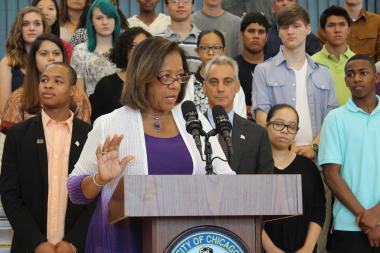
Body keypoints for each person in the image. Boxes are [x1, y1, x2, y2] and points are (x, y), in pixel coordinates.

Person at [67, 36, 234, 252]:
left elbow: (226, 178)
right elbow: (75, 191)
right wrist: (100, 179)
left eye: (180, 76)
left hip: (184, 242)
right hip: (123, 243)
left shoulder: (193, 120)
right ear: (142, 77)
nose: (175, 85)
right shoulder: (109, 124)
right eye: (166, 77)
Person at [0, 62, 94, 253]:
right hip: (28, 246)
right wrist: (36, 243)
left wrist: (74, 243)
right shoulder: (18, 134)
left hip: (76, 247)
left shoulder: (89, 135)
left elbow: (93, 197)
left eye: (58, 81)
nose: (48, 85)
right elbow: (10, 194)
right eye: (44, 80)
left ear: (72, 91)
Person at [252, 4, 338, 160]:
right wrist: (288, 147)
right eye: (284, 27)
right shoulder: (263, 71)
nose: (290, 31)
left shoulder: (324, 73)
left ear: (308, 29)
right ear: (278, 31)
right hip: (278, 158)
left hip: (319, 159)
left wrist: (315, 147)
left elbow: (331, 119)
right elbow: (262, 119)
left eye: (296, 26)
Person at [319, 54, 380, 253]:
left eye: (363, 73)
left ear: (376, 77)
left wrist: (375, 214)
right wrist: (365, 217)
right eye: (351, 74)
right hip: (349, 225)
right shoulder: (335, 119)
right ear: (345, 81)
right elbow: (331, 174)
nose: (357, 78)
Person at [262, 104, 326, 253]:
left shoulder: (308, 167)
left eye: (291, 127)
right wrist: (271, 249)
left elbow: (319, 209)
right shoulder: (256, 167)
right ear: (266, 126)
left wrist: (308, 248)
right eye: (278, 124)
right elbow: (248, 214)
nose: (285, 130)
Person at [1, 33, 91, 132]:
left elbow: (85, 137)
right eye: (44, 54)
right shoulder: (18, 97)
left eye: (56, 53)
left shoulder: (77, 96)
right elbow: (8, 140)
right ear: (34, 59)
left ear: (63, 57)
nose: (51, 58)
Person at [203, 55, 273, 174]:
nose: (220, 88)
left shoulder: (258, 134)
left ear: (237, 86)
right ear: (204, 87)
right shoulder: (189, 131)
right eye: (214, 82)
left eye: (227, 82)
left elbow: (267, 185)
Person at [90, 27, 151, 123]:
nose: (140, 52)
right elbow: (97, 123)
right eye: (134, 47)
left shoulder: (157, 82)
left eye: (144, 47)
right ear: (124, 51)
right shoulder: (106, 85)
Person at [184, 29, 247, 118]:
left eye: (216, 48)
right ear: (197, 51)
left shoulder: (234, 86)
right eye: (205, 48)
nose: (210, 53)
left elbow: (240, 120)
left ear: (224, 51)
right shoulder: (187, 85)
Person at [0, 7, 47, 116]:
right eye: (25, 24)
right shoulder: (8, 62)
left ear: (44, 28)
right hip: (16, 123)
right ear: (19, 29)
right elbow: (4, 108)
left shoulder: (52, 59)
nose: (32, 28)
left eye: (37, 24)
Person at [71, 0, 121, 96]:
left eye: (109, 17)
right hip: (93, 108)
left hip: (124, 107)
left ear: (115, 20)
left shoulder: (125, 49)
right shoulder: (80, 51)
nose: (105, 22)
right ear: (91, 22)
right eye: (99, 18)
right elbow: (78, 92)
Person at [312, 5, 355, 106]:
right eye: (331, 25)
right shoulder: (311, 62)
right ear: (322, 31)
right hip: (323, 120)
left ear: (348, 29)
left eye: (342, 24)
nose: (337, 30)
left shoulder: (359, 62)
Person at [235, 12, 270, 120]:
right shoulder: (232, 68)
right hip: (239, 126)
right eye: (251, 31)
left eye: (261, 32)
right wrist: (240, 108)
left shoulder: (275, 67)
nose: (256, 36)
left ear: (267, 36)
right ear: (241, 34)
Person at [160, 0, 201, 73]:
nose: (181, 5)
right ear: (166, 7)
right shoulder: (157, 40)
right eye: (175, 1)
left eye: (186, 1)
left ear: (193, 6)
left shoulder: (204, 40)